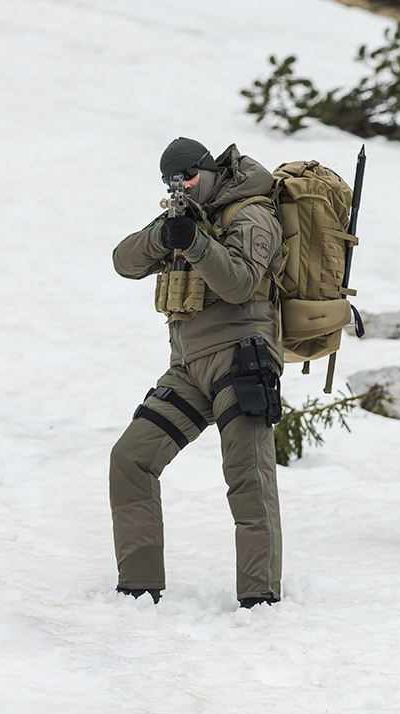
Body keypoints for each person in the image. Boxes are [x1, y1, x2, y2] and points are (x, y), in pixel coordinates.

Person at [108, 137, 285, 607]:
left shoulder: (251, 214)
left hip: (242, 358)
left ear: (208, 170)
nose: (180, 186)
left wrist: (199, 244)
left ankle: (259, 600)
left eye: (187, 176)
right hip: (187, 369)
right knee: (131, 459)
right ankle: (138, 592)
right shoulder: (181, 216)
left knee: (248, 477)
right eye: (171, 180)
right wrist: (162, 237)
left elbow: (242, 282)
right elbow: (123, 262)